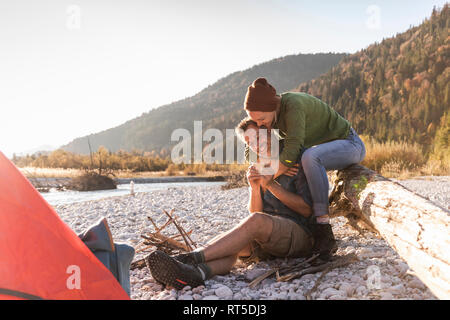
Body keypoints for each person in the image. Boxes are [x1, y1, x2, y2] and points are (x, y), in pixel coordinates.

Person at [145, 118, 315, 290]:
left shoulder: (294, 158)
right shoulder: (260, 164)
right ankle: (197, 273)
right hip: (268, 240)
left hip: (299, 235)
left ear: (269, 131)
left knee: (254, 222)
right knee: (229, 246)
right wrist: (255, 188)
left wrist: (271, 185)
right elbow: (256, 214)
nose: (255, 144)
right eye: (249, 141)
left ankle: (189, 258)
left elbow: (307, 210)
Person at [243, 77, 366, 259]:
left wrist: (272, 175)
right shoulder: (267, 115)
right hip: (325, 152)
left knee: (309, 156)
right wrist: (267, 164)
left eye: (262, 120)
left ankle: (323, 228)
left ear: (273, 106)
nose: (260, 125)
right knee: (308, 156)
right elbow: (250, 149)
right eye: (256, 121)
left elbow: (292, 151)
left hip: (350, 145)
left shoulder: (293, 106)